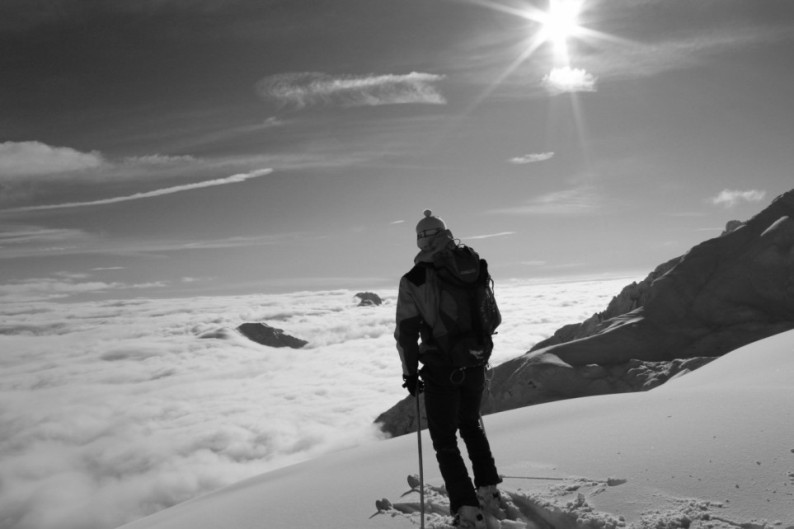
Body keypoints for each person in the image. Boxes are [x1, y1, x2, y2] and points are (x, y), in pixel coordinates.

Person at [394, 210, 502, 529]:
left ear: (420, 240)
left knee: (444, 440)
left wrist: (410, 374)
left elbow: (406, 333)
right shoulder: (471, 265)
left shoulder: (415, 279)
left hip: (441, 367)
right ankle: (488, 491)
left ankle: (467, 510)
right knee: (471, 424)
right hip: (475, 359)